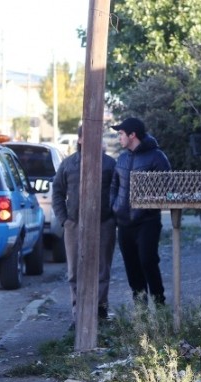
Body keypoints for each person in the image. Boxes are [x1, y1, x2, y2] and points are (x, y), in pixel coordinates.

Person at [52, 124, 117, 321]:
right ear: (80, 139)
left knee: (102, 270)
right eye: (87, 137)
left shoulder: (109, 164)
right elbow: (57, 192)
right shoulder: (69, 164)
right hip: (74, 223)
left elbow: (117, 191)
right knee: (74, 271)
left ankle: (100, 310)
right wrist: (65, 221)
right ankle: (78, 312)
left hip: (104, 223)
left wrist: (113, 217)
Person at [109, 117, 171, 306]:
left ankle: (160, 305)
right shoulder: (122, 157)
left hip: (147, 221)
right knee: (132, 267)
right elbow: (114, 186)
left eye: (121, 133)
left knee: (148, 261)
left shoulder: (156, 157)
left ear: (132, 134)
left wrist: (147, 206)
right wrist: (115, 207)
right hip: (124, 223)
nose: (119, 137)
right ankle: (141, 311)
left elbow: (166, 186)